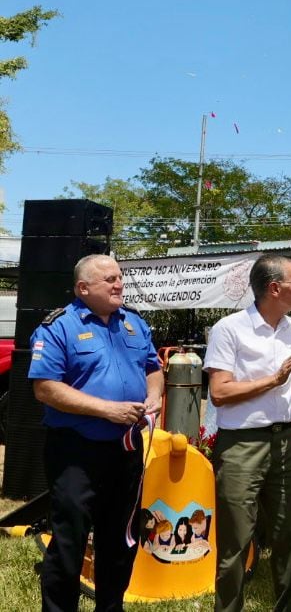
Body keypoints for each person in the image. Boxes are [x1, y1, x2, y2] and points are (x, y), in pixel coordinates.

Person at [29, 254, 164, 612]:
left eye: (119, 277)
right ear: (83, 288)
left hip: (126, 451)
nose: (119, 283)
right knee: (69, 542)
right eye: (109, 279)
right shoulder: (58, 327)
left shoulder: (135, 323)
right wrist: (107, 410)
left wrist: (153, 395)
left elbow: (153, 368)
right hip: (76, 452)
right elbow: (45, 388)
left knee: (120, 541)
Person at [203, 254, 291, 612]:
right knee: (236, 541)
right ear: (274, 288)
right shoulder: (230, 329)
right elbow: (220, 393)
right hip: (242, 444)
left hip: (286, 438)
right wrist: (274, 380)